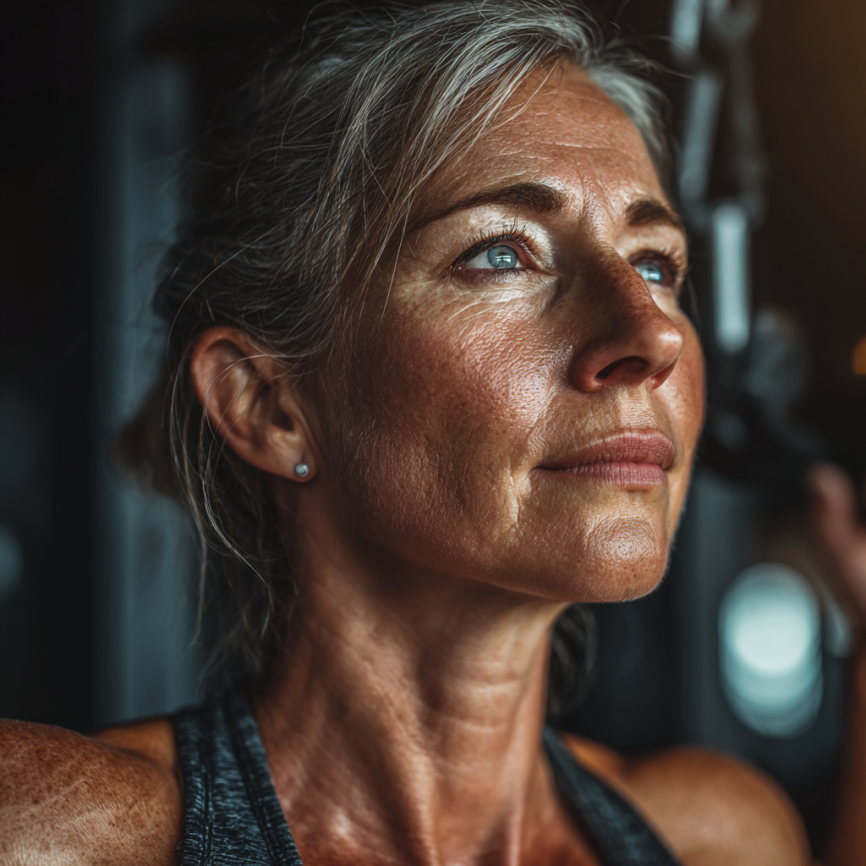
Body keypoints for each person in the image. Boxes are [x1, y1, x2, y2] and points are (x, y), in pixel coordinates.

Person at [1, 2, 864, 863]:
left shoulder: (721, 838)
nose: (653, 336)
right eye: (501, 253)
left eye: (655, 264)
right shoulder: (55, 832)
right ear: (268, 404)